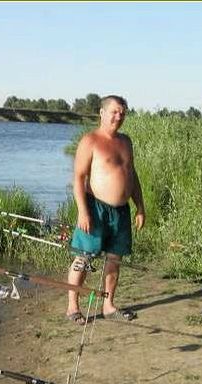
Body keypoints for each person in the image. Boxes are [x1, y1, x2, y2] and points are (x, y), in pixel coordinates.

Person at [66, 95, 145, 324]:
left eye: (122, 113)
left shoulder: (126, 141)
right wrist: (83, 211)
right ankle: (73, 306)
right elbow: (79, 179)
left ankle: (109, 305)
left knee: (114, 259)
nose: (118, 116)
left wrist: (140, 206)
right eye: (114, 111)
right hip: (95, 209)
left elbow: (132, 174)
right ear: (102, 113)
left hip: (121, 212)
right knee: (84, 257)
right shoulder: (90, 141)